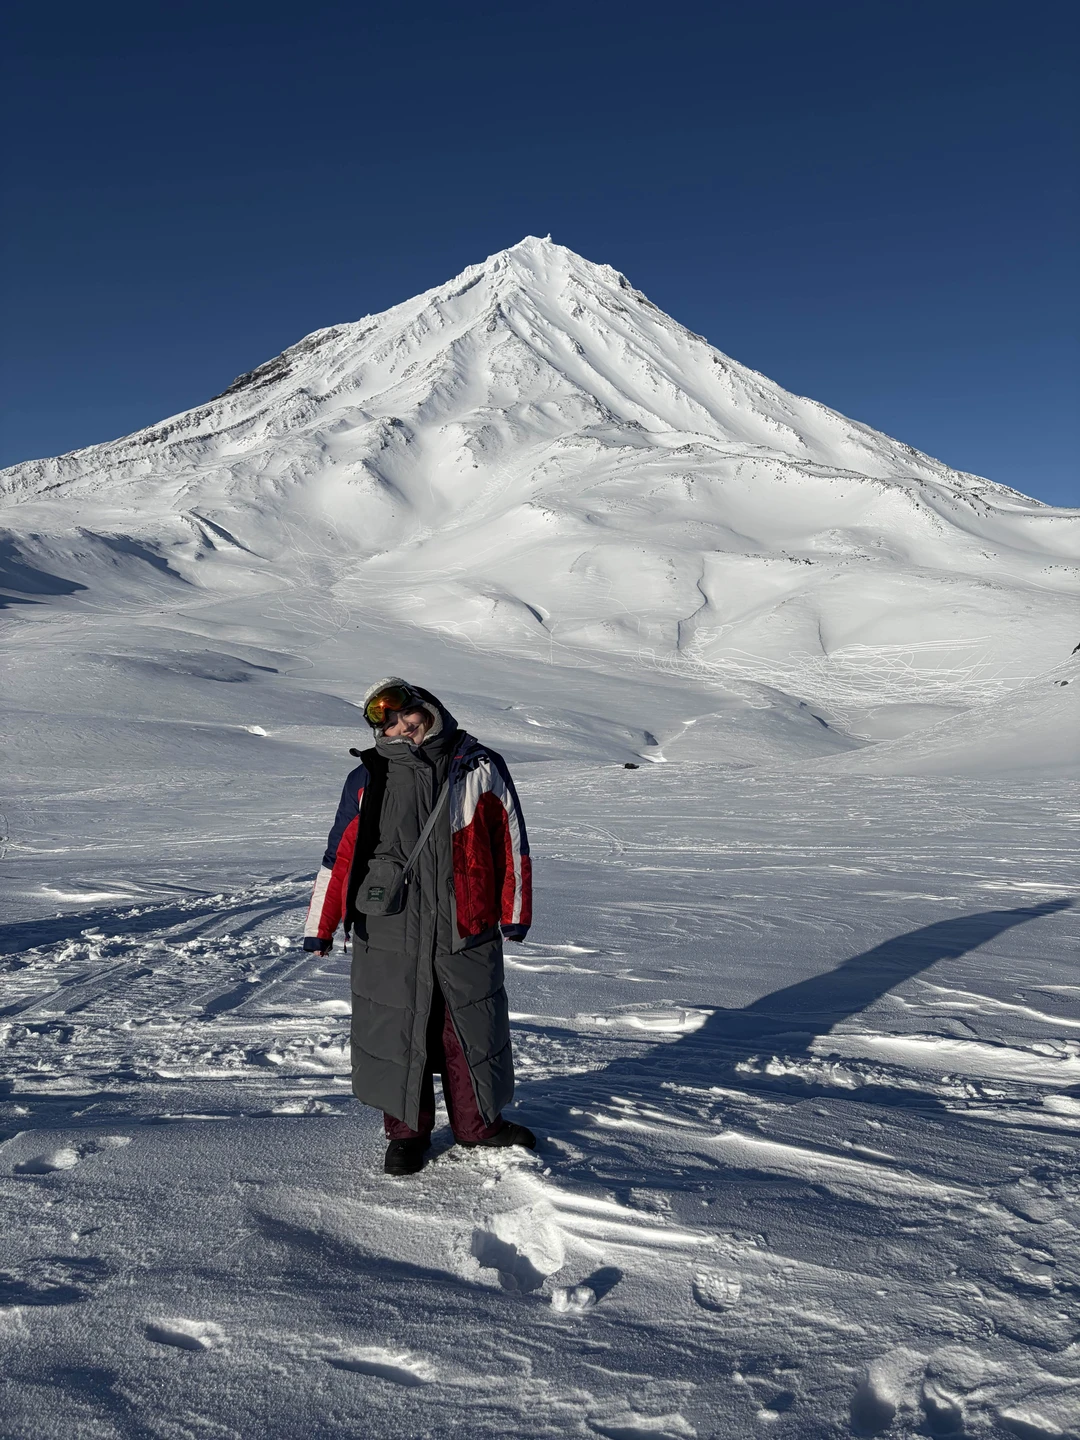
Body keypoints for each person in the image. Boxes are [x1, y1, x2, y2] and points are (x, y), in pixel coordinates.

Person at [304, 678, 536, 1176]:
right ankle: (406, 1135)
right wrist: (321, 924)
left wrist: (514, 912)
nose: (401, 726)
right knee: (398, 1030)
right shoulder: (368, 776)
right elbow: (341, 853)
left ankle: (478, 1126)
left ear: (426, 706)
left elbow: (510, 839)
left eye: (405, 713)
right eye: (387, 723)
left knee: (469, 1028)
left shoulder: (479, 767)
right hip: (389, 928)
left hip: (464, 924)